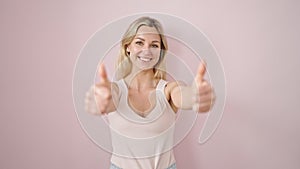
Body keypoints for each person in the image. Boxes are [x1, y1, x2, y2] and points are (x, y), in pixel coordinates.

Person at [85, 16, 215, 169]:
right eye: (139, 42)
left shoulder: (168, 90)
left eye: (154, 45)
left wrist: (195, 97)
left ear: (160, 52)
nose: (146, 50)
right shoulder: (115, 90)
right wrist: (98, 101)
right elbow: (107, 99)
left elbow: (183, 95)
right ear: (127, 47)